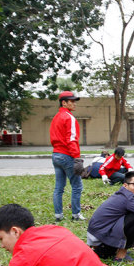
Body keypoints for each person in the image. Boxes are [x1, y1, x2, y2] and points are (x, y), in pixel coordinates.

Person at [50, 90, 84, 222]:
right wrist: (77, 158)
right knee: (77, 186)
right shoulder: (69, 118)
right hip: (66, 155)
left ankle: (58, 215)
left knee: (59, 187)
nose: (74, 104)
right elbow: (72, 139)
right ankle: (76, 214)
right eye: (72, 101)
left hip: (56, 155)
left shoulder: (56, 117)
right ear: (64, 103)